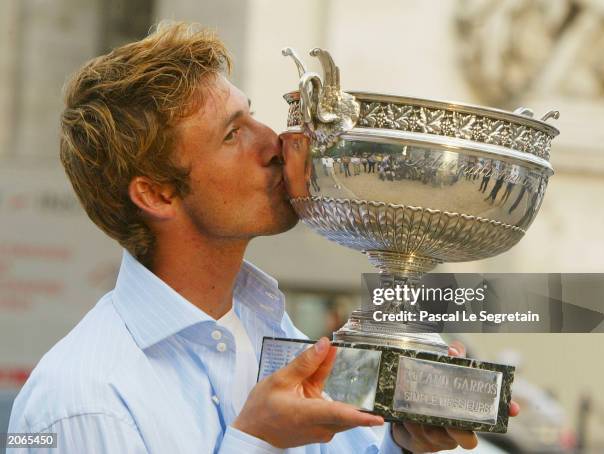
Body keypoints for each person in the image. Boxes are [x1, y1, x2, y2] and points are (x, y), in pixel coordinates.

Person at [8, 22, 518, 453]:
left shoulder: (274, 333)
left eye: (251, 113)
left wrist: (403, 445)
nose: (274, 142)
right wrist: (258, 441)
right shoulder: (81, 401)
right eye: (233, 134)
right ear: (158, 194)